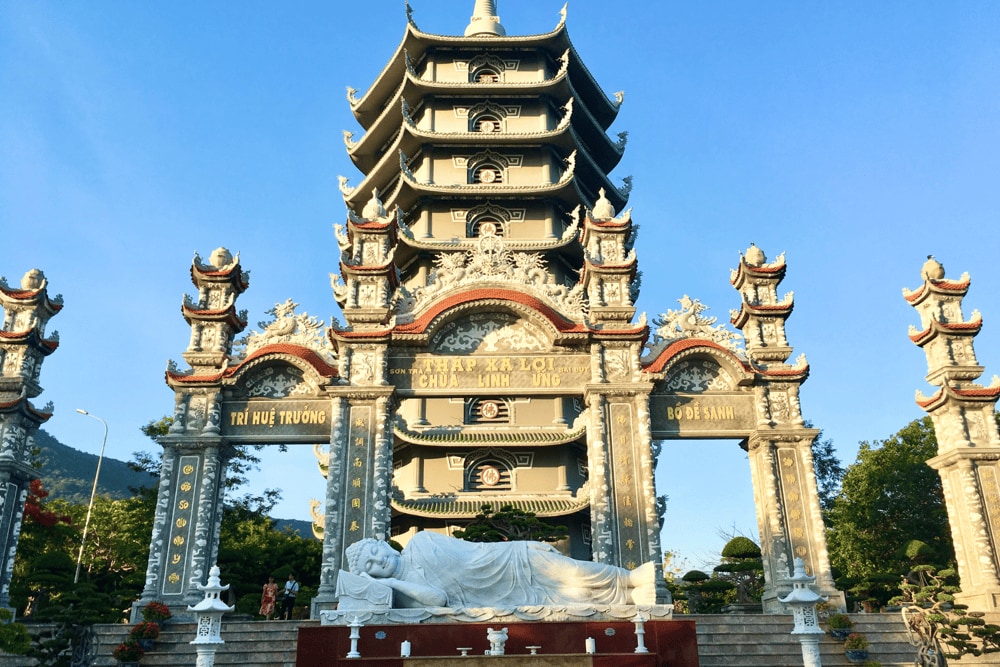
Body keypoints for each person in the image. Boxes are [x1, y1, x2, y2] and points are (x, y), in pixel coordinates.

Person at [344, 532, 655, 609]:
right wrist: (393, 584)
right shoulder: (407, 593)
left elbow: (472, 554)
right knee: (568, 597)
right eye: (370, 567)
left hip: (507, 560)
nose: (378, 561)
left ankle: (627, 578)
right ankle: (626, 599)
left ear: (382, 542)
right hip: (494, 596)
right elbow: (438, 599)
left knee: (568, 570)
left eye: (374, 552)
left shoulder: (420, 540)